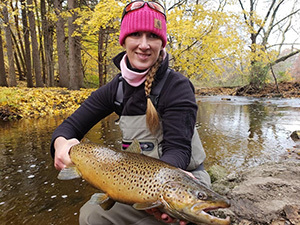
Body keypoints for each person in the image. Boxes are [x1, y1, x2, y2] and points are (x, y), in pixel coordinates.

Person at [50, 1, 211, 224]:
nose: (144, 45)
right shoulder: (115, 89)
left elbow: (179, 150)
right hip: (132, 184)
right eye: (135, 34)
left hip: (181, 179)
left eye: (152, 36)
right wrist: (60, 143)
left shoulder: (178, 86)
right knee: (91, 216)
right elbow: (69, 127)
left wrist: (161, 190)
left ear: (161, 43)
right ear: (124, 39)